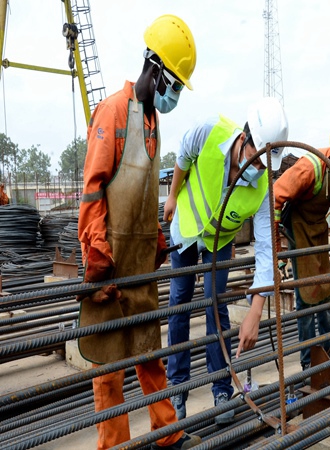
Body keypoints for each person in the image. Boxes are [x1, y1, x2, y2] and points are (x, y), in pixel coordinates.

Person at [77, 15, 200, 450]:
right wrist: (97, 253)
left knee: (150, 354)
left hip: (140, 263)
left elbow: (144, 194)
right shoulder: (112, 111)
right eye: (177, 84)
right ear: (157, 70)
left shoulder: (152, 122)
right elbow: (93, 190)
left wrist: (159, 239)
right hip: (109, 261)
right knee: (109, 369)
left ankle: (169, 435)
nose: (176, 95)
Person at [163, 97, 289, 424]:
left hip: (219, 241)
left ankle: (221, 389)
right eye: (256, 159)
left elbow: (266, 249)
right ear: (245, 138)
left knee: (214, 303)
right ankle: (177, 384)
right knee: (180, 300)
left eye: (265, 164)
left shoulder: (263, 187)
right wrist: (173, 196)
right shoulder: (209, 132)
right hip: (187, 229)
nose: (259, 168)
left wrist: (257, 309)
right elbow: (183, 156)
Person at [273, 116, 330, 375]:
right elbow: (275, 198)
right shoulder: (310, 168)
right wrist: (278, 248)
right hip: (298, 231)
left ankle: (328, 352)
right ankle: (308, 362)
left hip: (318, 231)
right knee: (305, 298)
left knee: (323, 292)